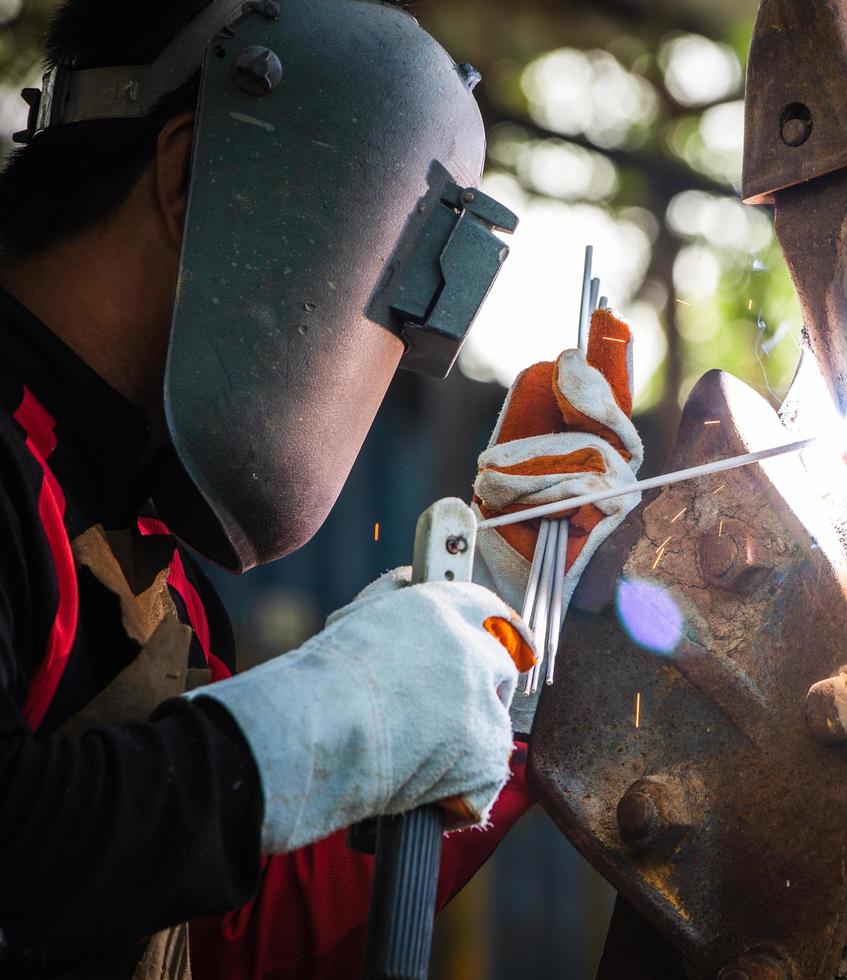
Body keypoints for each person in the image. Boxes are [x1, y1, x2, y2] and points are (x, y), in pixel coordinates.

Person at [0, 0, 641, 975]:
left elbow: (213, 938)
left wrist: (505, 613)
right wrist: (332, 714)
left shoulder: (148, 569)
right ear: (187, 177)